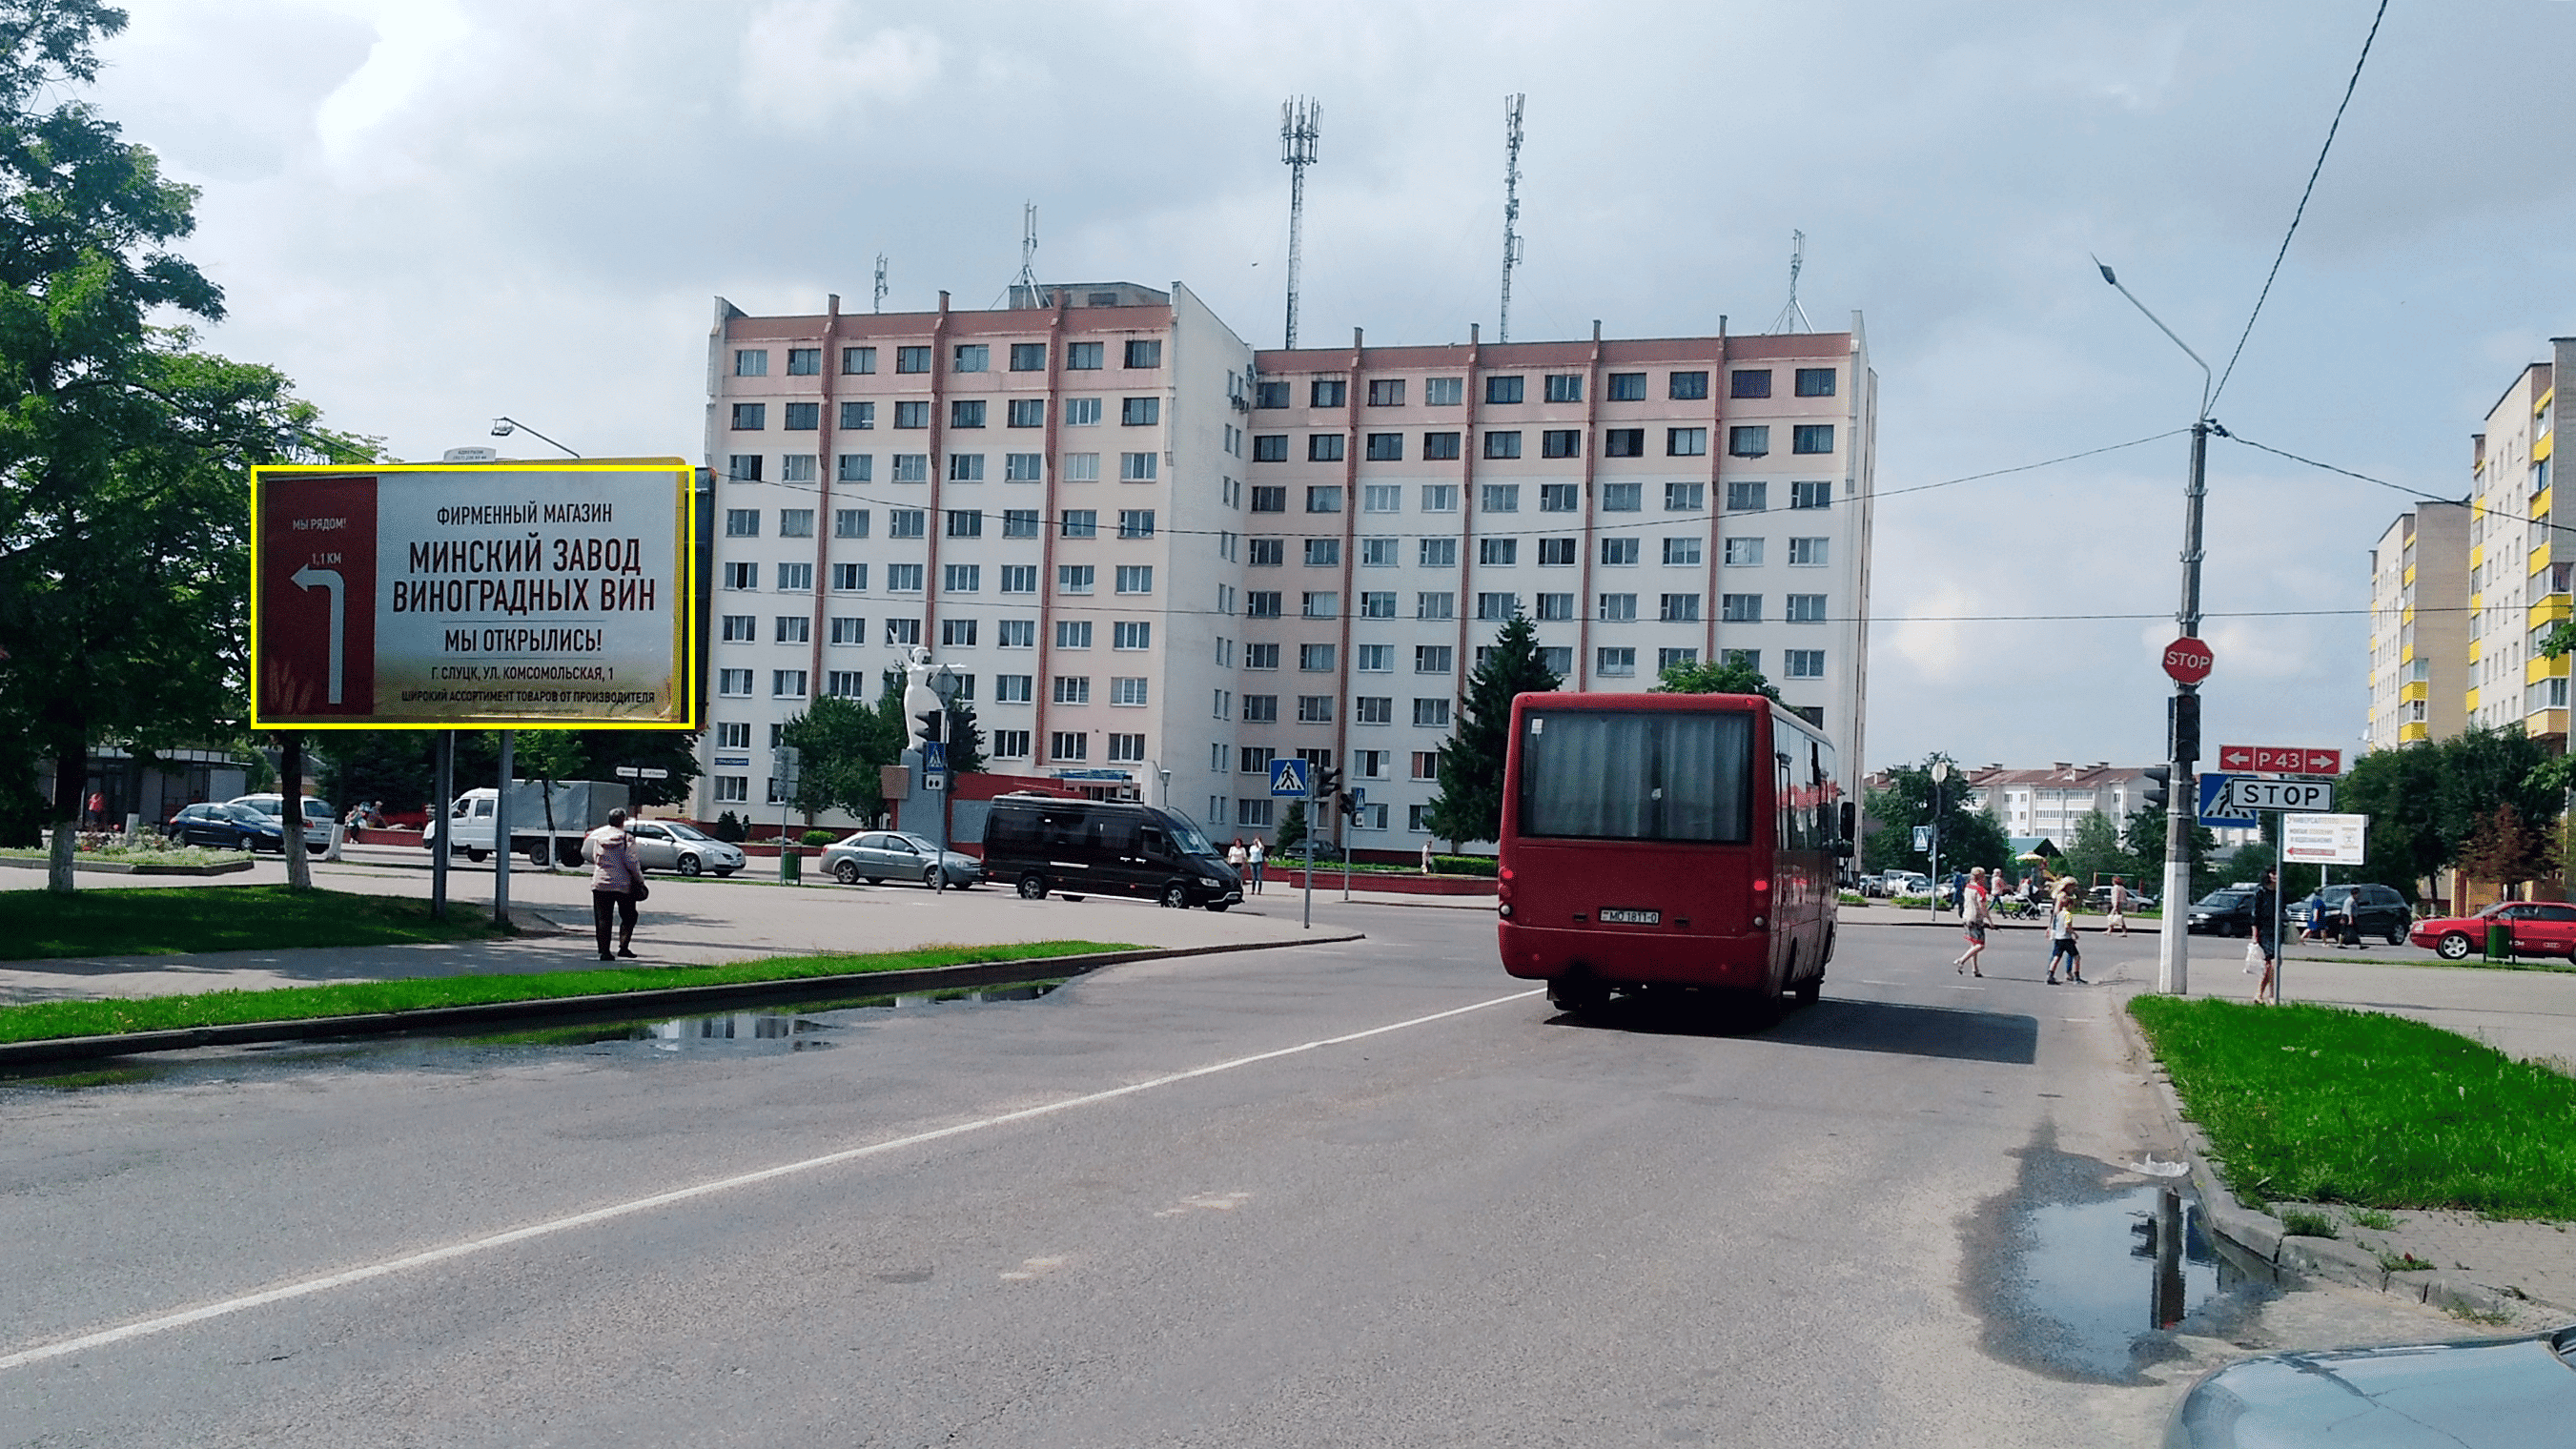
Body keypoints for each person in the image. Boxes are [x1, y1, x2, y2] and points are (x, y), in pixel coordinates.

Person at [584, 806, 647, 961]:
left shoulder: (600, 838)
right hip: (623, 884)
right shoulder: (627, 838)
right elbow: (632, 862)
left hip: (600, 883)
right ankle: (623, 946)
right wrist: (640, 880)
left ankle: (604, 951)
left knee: (603, 918)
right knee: (629, 915)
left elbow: (595, 857)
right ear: (623, 821)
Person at [1953, 867, 1992, 976]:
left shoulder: (1968, 887)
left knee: (1974, 944)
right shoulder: (1981, 890)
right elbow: (1982, 907)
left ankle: (1975, 970)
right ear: (1981, 877)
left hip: (1966, 917)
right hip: (1976, 919)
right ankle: (1961, 960)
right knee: (1980, 945)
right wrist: (1990, 921)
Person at [2252, 868, 2280, 1005]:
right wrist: (2254, 935)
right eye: (2273, 873)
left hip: (2277, 930)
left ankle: (2259, 995)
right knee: (2271, 965)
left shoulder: (2280, 893)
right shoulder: (2261, 892)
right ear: (2268, 875)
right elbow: (2254, 916)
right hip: (2265, 931)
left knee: (2271, 965)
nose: (2275, 876)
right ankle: (2272, 996)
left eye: (2277, 873)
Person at [2046, 880, 2083, 985]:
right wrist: (2074, 934)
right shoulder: (2066, 909)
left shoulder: (2061, 912)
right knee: (2076, 956)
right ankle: (2076, 976)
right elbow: (2067, 926)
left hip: (2059, 935)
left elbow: (2055, 914)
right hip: (2066, 937)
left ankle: (2050, 974)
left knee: (2057, 956)